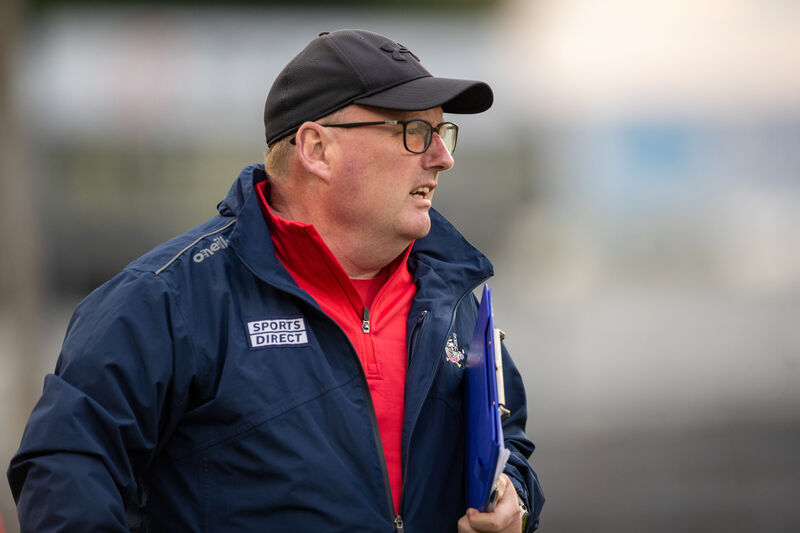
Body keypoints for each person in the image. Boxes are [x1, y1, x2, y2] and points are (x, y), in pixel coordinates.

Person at [7, 29, 543, 532]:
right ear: (317, 150)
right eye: (414, 132)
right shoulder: (166, 300)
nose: (442, 157)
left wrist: (514, 495)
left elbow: (508, 438)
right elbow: (67, 467)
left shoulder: (451, 298)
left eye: (443, 131)